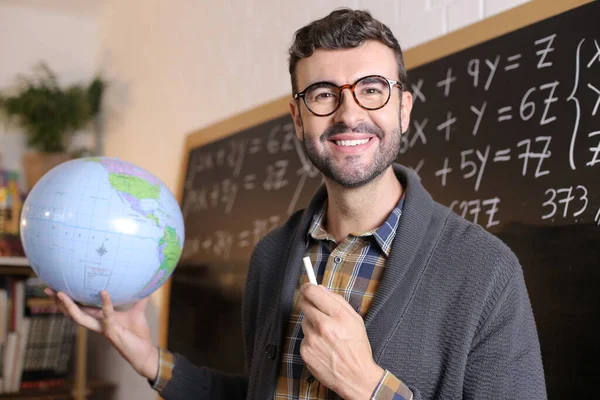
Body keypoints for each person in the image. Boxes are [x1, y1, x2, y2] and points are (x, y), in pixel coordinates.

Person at [46, 8, 547, 400]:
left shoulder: (485, 271)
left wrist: (371, 388)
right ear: (297, 117)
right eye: (324, 93)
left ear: (404, 108)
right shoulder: (271, 256)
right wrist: (148, 357)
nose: (350, 113)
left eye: (372, 90)